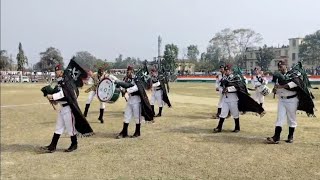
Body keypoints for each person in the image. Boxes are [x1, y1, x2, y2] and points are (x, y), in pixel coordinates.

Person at [41, 64, 94, 153]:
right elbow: (61, 94)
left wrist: (53, 96)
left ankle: (74, 144)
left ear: (61, 71)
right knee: (58, 127)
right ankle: (52, 146)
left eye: (57, 71)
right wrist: (54, 100)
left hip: (69, 108)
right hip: (62, 108)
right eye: (55, 71)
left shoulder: (67, 81)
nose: (56, 73)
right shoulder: (60, 81)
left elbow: (66, 94)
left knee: (70, 128)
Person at [266, 61, 315, 144]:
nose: (279, 68)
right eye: (279, 67)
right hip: (281, 100)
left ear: (286, 66)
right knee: (279, 118)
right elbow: (277, 88)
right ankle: (276, 137)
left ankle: (290, 136)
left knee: (291, 119)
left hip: (292, 100)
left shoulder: (292, 74)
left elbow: (295, 84)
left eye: (281, 66)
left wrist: (281, 86)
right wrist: (275, 90)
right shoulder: (278, 76)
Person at [213, 64, 265, 133]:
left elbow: (239, 87)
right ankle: (219, 127)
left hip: (233, 98)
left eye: (227, 70)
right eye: (225, 70)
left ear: (231, 71)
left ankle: (237, 127)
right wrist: (222, 90)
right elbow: (220, 86)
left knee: (235, 114)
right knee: (223, 113)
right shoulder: (224, 78)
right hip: (226, 98)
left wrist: (228, 89)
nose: (226, 71)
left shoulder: (236, 77)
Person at [116, 65, 154, 138]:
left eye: (129, 71)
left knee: (137, 117)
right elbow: (124, 85)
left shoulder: (137, 79)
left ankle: (137, 132)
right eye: (127, 71)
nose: (127, 72)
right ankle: (124, 132)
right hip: (130, 99)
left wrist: (126, 90)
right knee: (126, 115)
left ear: (132, 71)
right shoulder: (127, 79)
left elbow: (137, 87)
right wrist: (120, 88)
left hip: (137, 100)